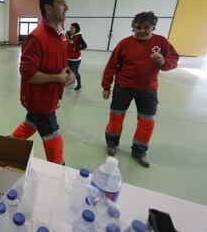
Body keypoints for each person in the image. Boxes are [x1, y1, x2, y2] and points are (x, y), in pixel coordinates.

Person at [101, 11, 179, 168]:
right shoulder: (124, 44)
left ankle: (139, 151)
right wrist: (106, 86)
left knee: (147, 123)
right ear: (133, 27)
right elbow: (111, 66)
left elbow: (174, 60)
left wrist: (163, 61)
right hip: (123, 87)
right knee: (116, 118)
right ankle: (112, 144)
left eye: (146, 27)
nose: (142, 30)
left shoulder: (161, 42)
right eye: (138, 27)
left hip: (148, 90)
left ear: (153, 26)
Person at [11, 0, 75, 165]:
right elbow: (28, 74)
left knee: (30, 125)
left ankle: (9, 144)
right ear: (48, 8)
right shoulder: (37, 38)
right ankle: (57, 170)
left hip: (51, 97)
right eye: (61, 3)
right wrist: (57, 78)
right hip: (40, 101)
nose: (67, 7)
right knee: (53, 139)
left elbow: (62, 64)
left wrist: (70, 73)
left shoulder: (60, 35)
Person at [66, 23, 87, 90]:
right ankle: (70, 81)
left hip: (75, 60)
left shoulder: (78, 37)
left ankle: (79, 84)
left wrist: (77, 49)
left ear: (76, 29)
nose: (70, 29)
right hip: (68, 58)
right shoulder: (69, 35)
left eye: (72, 28)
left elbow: (85, 46)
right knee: (67, 71)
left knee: (75, 72)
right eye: (70, 28)